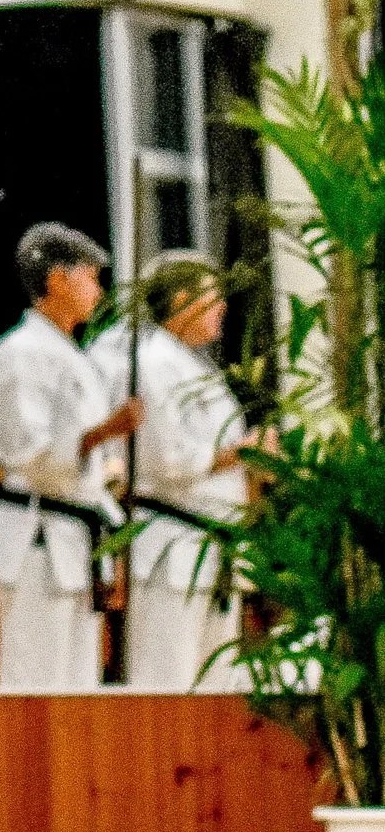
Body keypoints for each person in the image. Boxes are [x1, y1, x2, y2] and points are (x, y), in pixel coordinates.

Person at [0, 224, 135, 690]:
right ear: (58, 280)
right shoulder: (20, 352)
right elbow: (29, 454)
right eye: (91, 277)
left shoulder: (74, 356)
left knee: (79, 690)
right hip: (35, 538)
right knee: (34, 685)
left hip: (77, 538)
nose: (99, 291)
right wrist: (103, 433)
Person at [127, 251, 249, 691]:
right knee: (169, 680)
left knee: (217, 684)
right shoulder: (153, 363)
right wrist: (238, 454)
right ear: (182, 300)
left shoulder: (197, 366)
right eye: (213, 298)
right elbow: (166, 460)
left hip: (214, 542)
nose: (223, 309)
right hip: (173, 544)